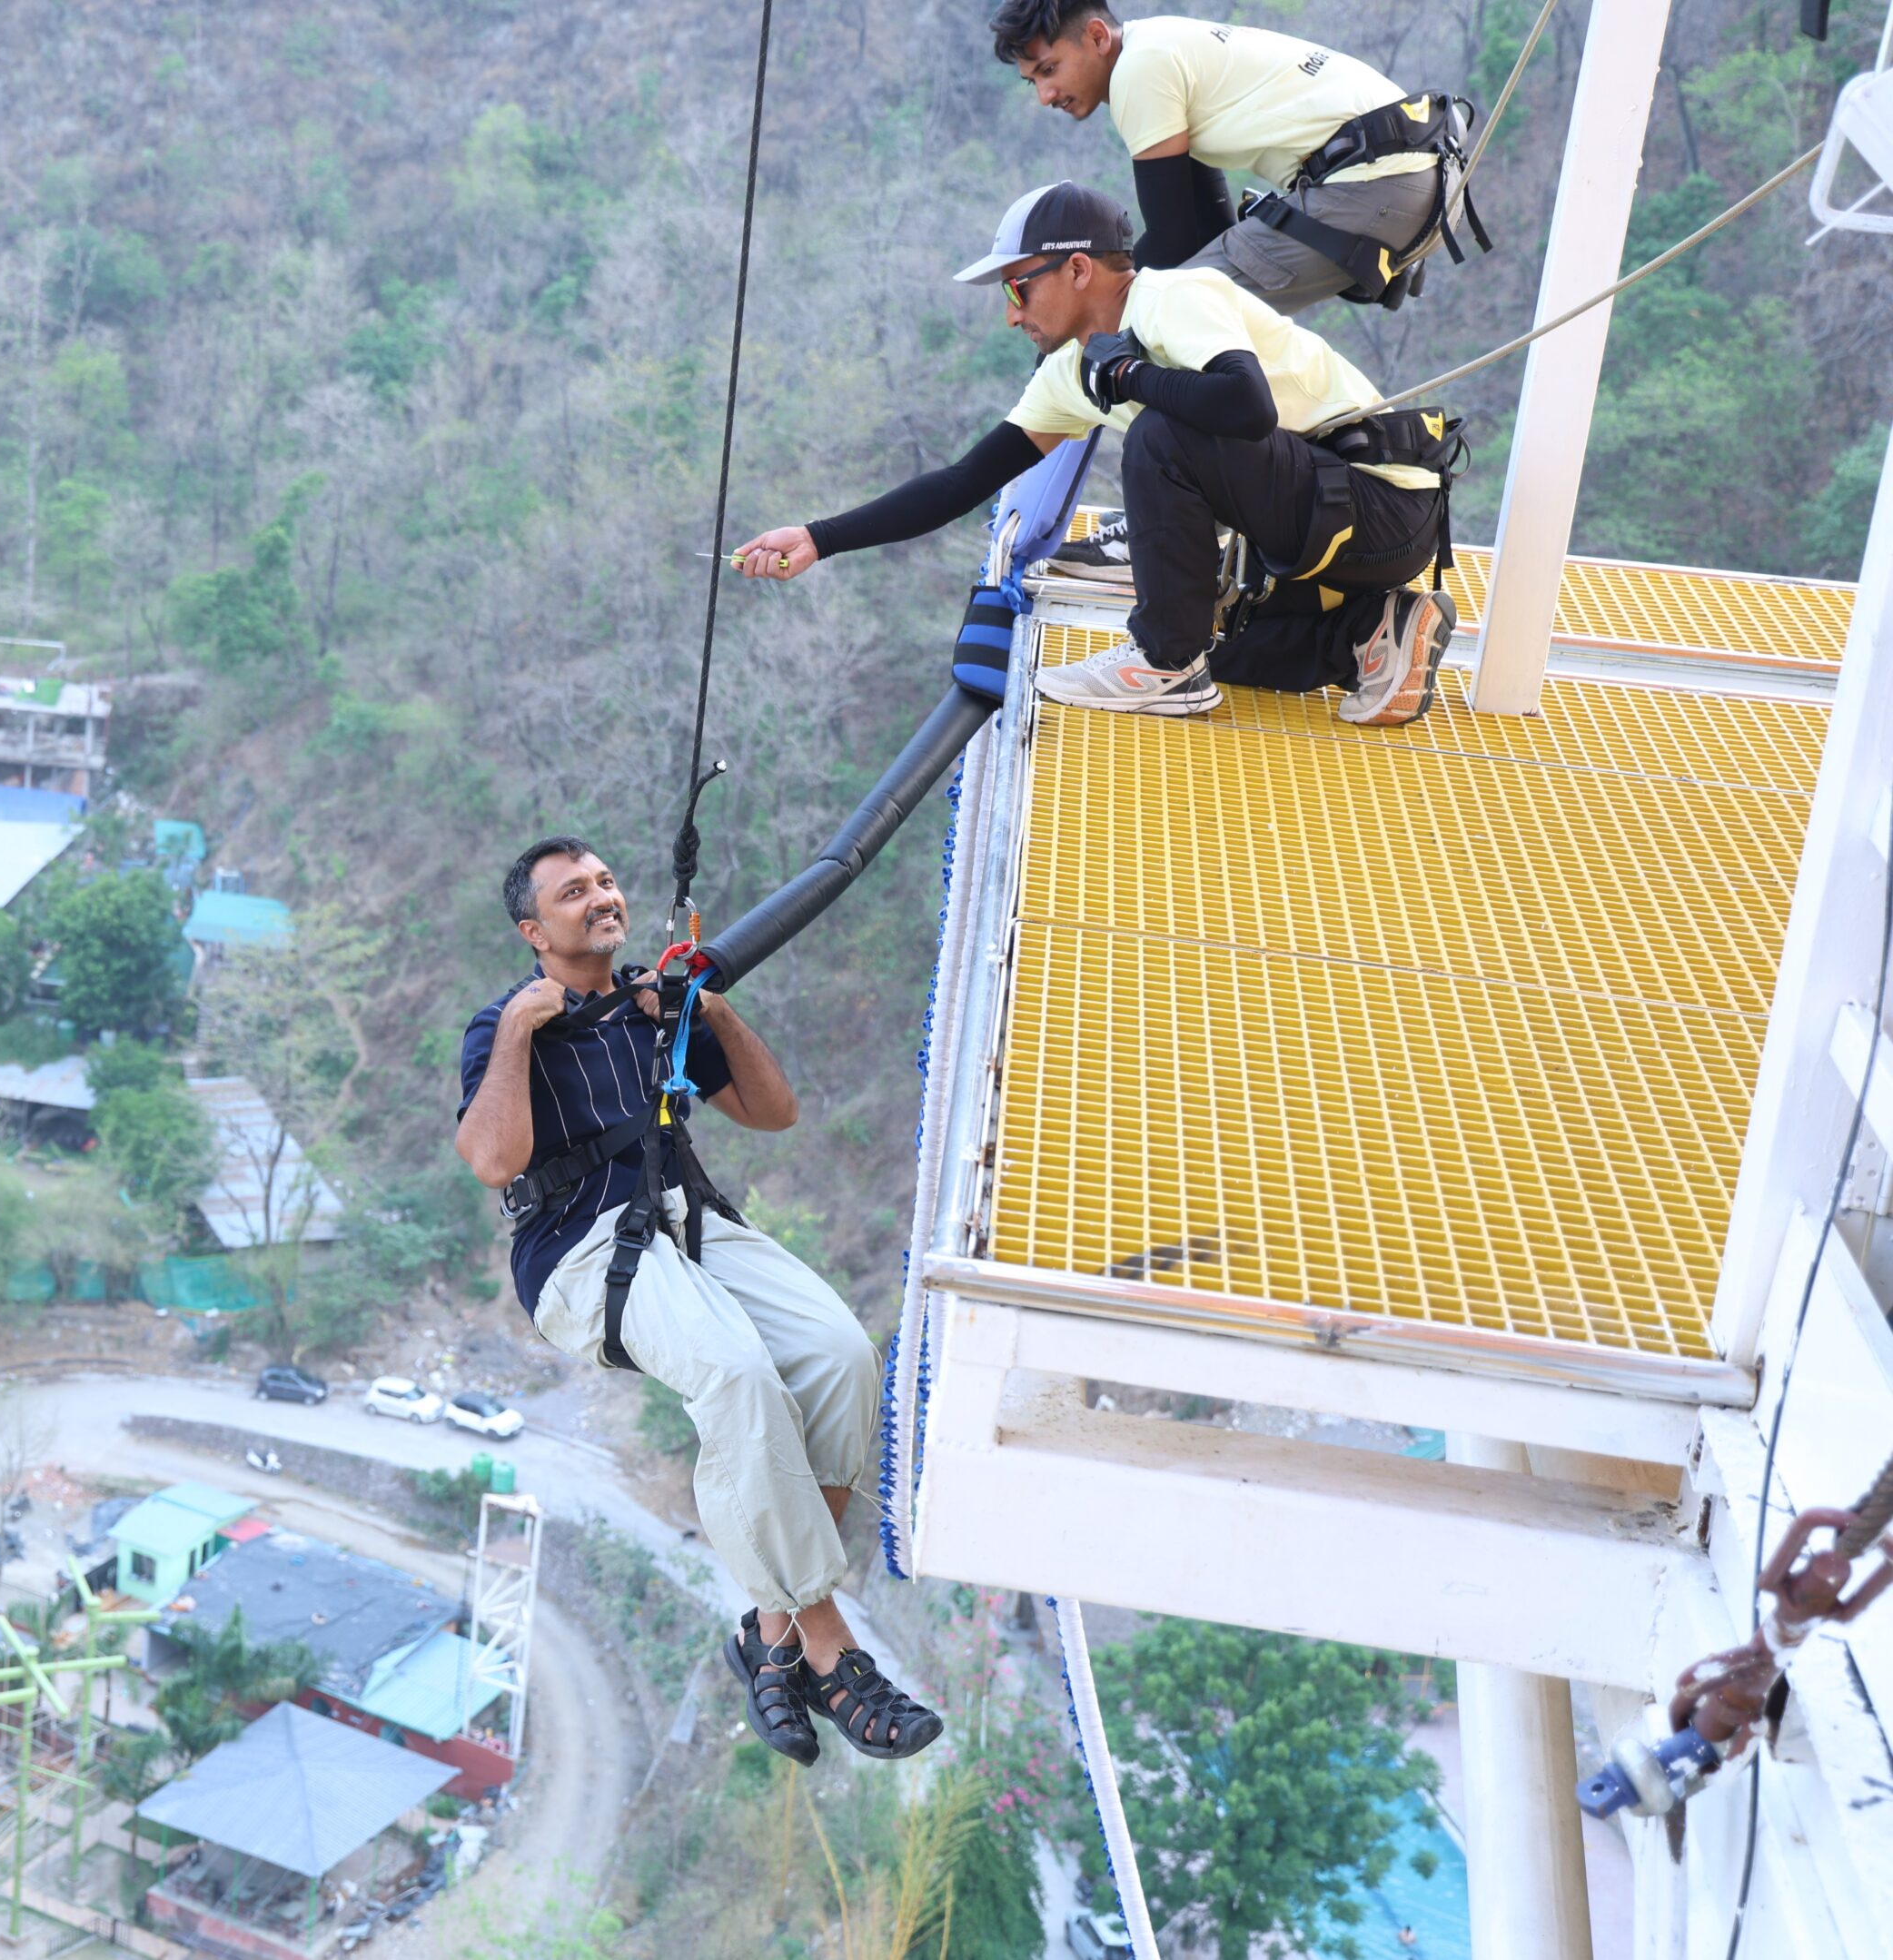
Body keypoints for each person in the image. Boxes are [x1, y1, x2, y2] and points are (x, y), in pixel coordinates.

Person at [456, 836, 944, 1767]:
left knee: (839, 1354)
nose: (599, 897)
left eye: (603, 881)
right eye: (572, 892)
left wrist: (708, 1006)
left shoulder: (658, 1006)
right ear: (534, 929)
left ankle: (770, 1631)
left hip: (682, 1218)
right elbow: (490, 1161)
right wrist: (522, 1027)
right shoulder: (501, 1024)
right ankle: (830, 1650)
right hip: (581, 1252)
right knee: (736, 1377)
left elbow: (772, 1112)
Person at [733, 181, 1460, 724]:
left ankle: (1165, 665)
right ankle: (1376, 630)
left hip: (1384, 504)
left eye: (1019, 286)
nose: (1012, 312)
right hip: (1333, 532)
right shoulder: (1071, 373)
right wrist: (819, 539)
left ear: (1079, 270)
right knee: (1226, 643)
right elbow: (962, 482)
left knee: (1158, 432)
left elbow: (1246, 406)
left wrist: (1132, 376)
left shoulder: (1171, 298)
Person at [989, 2, 1477, 315]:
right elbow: (1204, 237)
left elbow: (1171, 237)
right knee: (1187, 301)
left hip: (1380, 185)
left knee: (1171, 313)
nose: (1045, 95)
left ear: (1097, 37)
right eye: (1033, 80)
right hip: (1429, 178)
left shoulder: (1139, 68)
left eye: (1050, 69)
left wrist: (1078, 314)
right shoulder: (1163, 43)